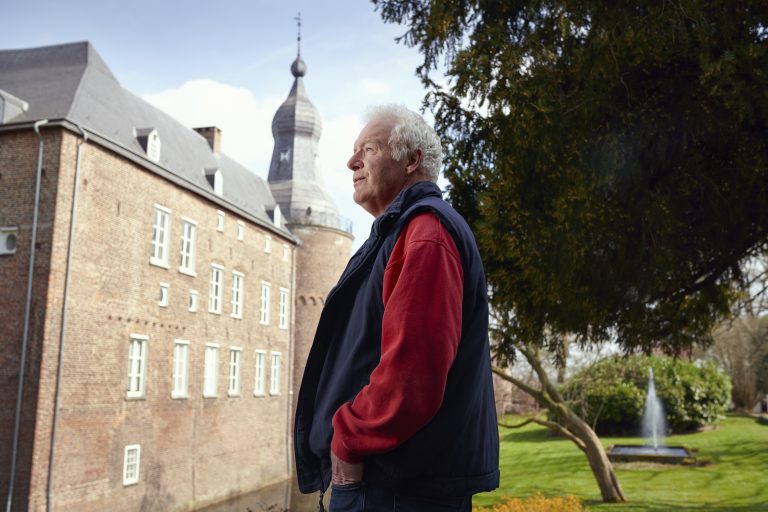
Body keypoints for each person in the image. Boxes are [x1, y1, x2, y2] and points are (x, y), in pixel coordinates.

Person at [294, 104, 499, 512]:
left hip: (393, 488)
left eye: (368, 149)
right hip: (391, 482)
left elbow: (412, 373)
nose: (351, 161)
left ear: (411, 161)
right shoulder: (401, 232)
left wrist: (350, 437)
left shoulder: (425, 233)